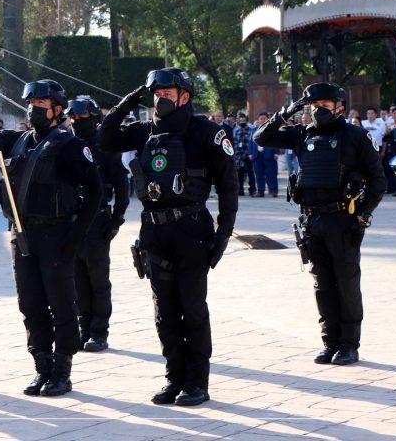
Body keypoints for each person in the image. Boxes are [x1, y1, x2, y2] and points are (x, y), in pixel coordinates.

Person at [101, 67, 238, 407]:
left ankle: (197, 383)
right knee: (164, 311)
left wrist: (222, 236)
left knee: (192, 309)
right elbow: (105, 138)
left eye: (166, 94)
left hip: (191, 230)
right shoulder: (145, 131)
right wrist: (129, 100)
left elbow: (229, 187)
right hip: (154, 232)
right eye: (156, 95)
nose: (159, 101)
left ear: (184, 97)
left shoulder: (205, 132)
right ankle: (173, 378)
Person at [0, 80, 103, 397]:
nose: (33, 109)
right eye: (30, 103)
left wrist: (76, 236)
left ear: (57, 110)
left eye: (40, 104)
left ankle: (62, 371)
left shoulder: (70, 147)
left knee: (61, 305)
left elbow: (94, 193)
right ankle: (41, 367)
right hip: (23, 236)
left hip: (56, 236)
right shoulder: (17, 141)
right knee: (31, 304)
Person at [254, 82, 385, 366]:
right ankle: (330, 342)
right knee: (322, 284)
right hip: (312, 220)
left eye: (325, 105)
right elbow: (261, 137)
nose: (319, 111)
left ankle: (349, 345)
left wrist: (362, 215)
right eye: (315, 106)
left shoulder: (355, 136)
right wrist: (291, 108)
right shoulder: (303, 134)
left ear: (339, 106)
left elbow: (378, 180)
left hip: (343, 219)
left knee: (346, 284)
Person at [65, 97, 129, 353]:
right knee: (77, 278)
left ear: (94, 119)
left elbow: (122, 187)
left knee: (98, 278)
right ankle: (85, 327)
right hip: (72, 220)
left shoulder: (105, 147)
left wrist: (116, 220)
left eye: (83, 119)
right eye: (75, 119)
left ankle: (99, 331)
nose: (78, 123)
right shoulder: (67, 145)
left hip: (97, 220)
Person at [251, 112, 279, 198]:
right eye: (260, 118)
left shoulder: (272, 129)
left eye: (264, 118)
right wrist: (250, 153)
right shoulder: (254, 130)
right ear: (258, 120)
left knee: (271, 174)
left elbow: (277, 141)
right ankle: (260, 191)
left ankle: (273, 191)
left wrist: (276, 152)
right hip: (257, 155)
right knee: (259, 174)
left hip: (269, 154)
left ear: (268, 119)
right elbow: (250, 142)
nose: (262, 120)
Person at [232, 113, 256, 196]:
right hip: (239, 155)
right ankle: (240, 190)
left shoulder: (251, 129)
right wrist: (237, 154)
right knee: (240, 174)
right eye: (241, 121)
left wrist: (247, 153)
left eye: (244, 120)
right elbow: (234, 143)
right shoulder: (236, 130)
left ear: (247, 121)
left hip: (248, 155)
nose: (242, 122)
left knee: (251, 173)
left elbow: (252, 143)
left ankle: (252, 190)